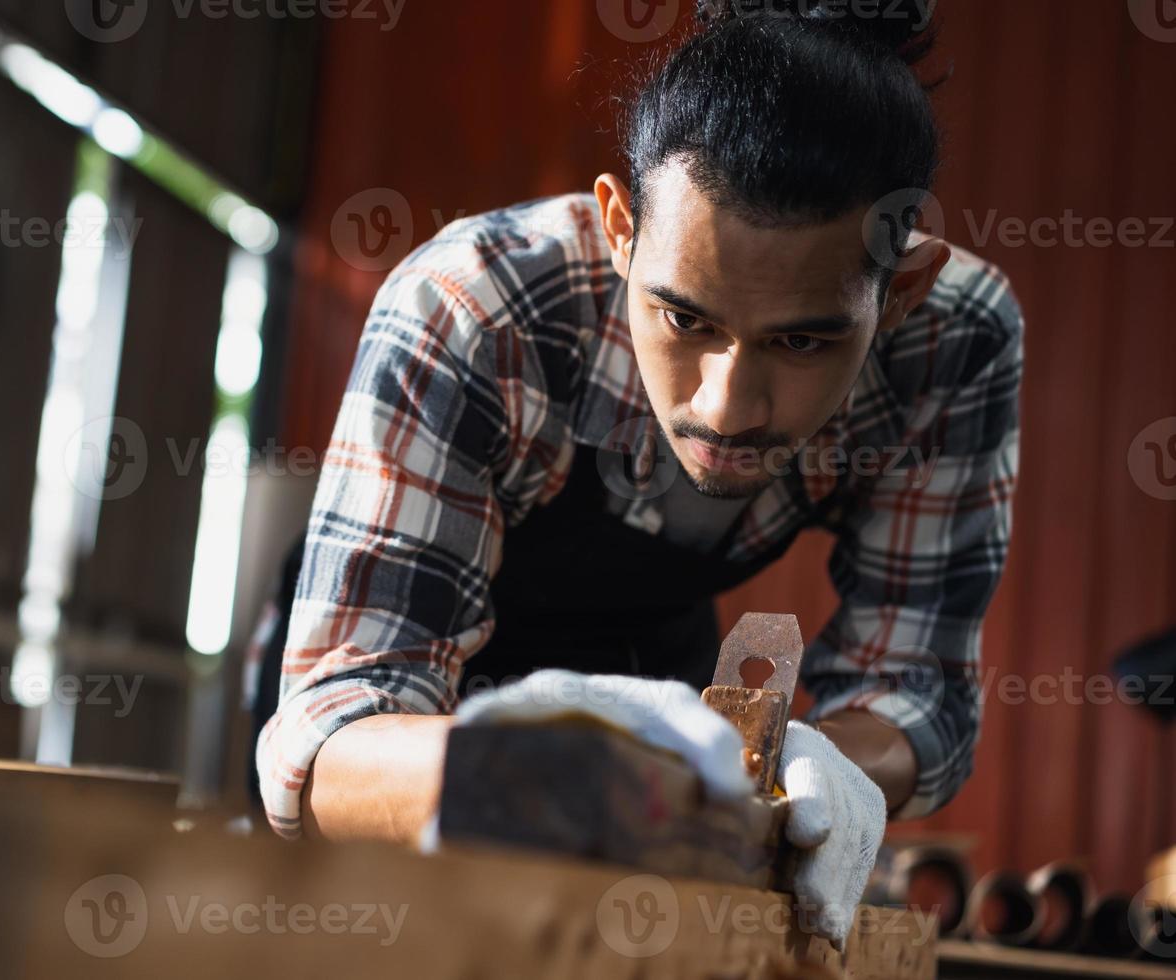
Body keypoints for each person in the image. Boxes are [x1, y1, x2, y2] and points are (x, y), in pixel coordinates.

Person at [254, 0, 1022, 949]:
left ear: (899, 293)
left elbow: (917, 689)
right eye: (686, 320)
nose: (728, 406)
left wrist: (811, 763)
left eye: (803, 340)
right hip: (404, 716)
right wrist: (522, 774)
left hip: (662, 677)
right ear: (620, 228)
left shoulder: (955, 342)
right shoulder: (480, 309)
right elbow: (330, 735)